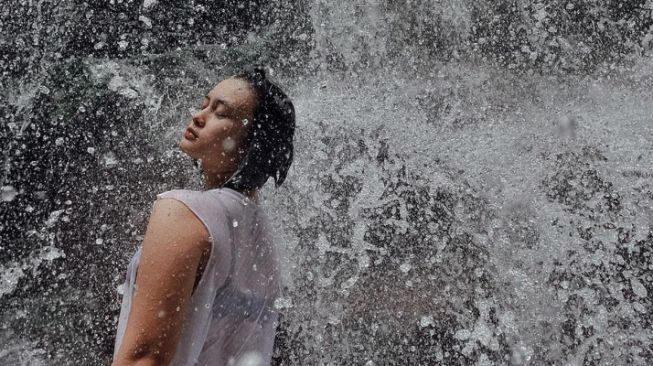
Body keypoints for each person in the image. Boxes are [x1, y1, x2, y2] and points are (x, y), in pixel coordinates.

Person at [111, 66, 295, 366]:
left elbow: (144, 357)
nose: (199, 116)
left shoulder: (183, 211)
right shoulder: (263, 237)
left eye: (221, 113)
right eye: (204, 104)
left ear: (252, 141)